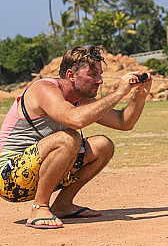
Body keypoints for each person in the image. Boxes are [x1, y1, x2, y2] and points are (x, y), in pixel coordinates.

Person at [0, 45, 152, 229]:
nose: (100, 81)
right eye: (93, 74)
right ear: (71, 75)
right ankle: (39, 208)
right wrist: (119, 93)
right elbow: (75, 120)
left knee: (103, 145)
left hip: (39, 174)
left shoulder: (81, 98)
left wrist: (139, 96)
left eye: (100, 74)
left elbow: (123, 122)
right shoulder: (44, 89)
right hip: (9, 179)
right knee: (68, 138)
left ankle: (63, 205)